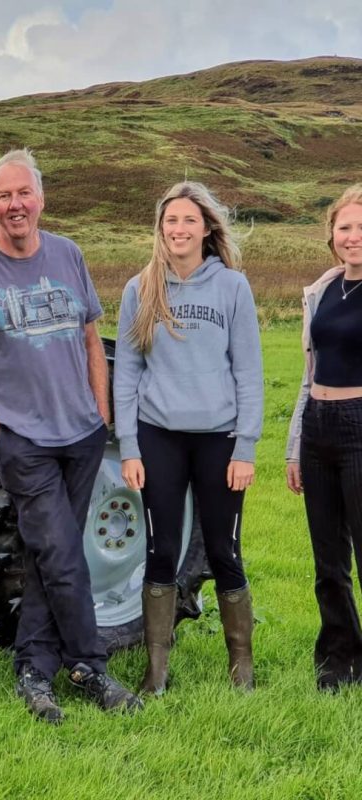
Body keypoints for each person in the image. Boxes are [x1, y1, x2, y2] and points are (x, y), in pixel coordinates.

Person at [0, 148, 143, 724]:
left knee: (43, 553)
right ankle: (89, 664)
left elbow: (89, 341)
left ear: (41, 198)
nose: (14, 206)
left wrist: (98, 413)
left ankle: (33, 667)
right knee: (59, 549)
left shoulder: (69, 254)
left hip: (79, 434)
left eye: (22, 193)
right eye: (3, 197)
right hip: (22, 439)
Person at [114, 181, 263, 694]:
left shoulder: (232, 288)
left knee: (225, 550)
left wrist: (245, 447)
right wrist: (130, 448)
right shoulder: (141, 288)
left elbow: (249, 372)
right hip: (159, 439)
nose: (178, 230)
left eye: (188, 221)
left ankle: (240, 669)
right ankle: (156, 671)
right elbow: (126, 375)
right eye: (170, 221)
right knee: (160, 550)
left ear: (206, 229)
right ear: (161, 229)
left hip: (219, 440)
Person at [286, 184, 362, 691]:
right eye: (346, 227)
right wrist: (295, 443)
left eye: (361, 228)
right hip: (318, 427)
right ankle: (340, 659)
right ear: (331, 235)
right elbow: (306, 372)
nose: (354, 237)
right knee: (328, 559)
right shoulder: (322, 291)